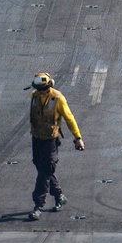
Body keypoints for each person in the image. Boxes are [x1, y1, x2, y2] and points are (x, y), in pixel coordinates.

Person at [26, 72, 84, 221]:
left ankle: (38, 206)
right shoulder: (34, 96)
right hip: (37, 139)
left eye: (44, 89)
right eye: (39, 89)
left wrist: (78, 138)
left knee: (44, 172)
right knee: (43, 169)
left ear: (50, 85)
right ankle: (59, 196)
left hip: (50, 141)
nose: (41, 92)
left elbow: (69, 118)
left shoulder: (58, 98)